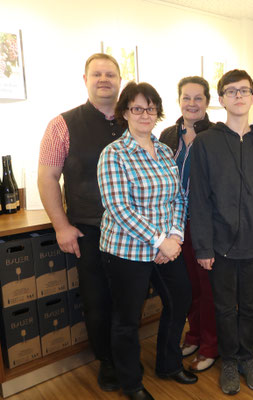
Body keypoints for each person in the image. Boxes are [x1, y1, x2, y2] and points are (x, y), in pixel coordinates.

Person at [97, 81, 197, 400]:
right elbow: (118, 207)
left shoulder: (165, 150)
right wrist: (159, 240)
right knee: (127, 319)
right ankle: (131, 383)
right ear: (125, 112)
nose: (144, 114)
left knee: (180, 299)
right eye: (137, 108)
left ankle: (168, 364)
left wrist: (175, 236)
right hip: (126, 251)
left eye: (150, 108)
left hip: (167, 247)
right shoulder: (114, 154)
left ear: (157, 112)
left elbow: (178, 199)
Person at [189, 69, 253, 395]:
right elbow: (198, 200)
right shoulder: (206, 144)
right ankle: (229, 360)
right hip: (220, 247)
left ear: (252, 97)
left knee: (252, 306)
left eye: (244, 91)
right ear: (221, 99)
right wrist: (202, 247)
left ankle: (247, 357)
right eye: (231, 91)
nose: (239, 96)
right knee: (225, 307)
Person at [38, 53, 122, 392]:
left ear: (120, 80)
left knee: (128, 298)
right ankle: (108, 362)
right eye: (97, 74)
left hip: (132, 232)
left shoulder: (134, 119)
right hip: (89, 231)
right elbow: (47, 178)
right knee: (98, 301)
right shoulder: (62, 124)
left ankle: (126, 354)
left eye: (111, 74)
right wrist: (60, 226)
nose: (104, 79)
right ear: (85, 79)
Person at [159, 76, 218, 372]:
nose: (192, 103)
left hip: (205, 224)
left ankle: (210, 344)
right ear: (179, 100)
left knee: (208, 289)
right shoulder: (168, 135)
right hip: (174, 225)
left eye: (198, 98)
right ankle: (193, 334)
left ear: (207, 102)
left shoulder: (218, 135)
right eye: (186, 97)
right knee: (187, 287)